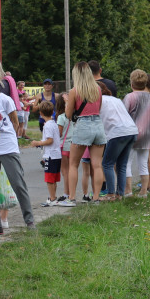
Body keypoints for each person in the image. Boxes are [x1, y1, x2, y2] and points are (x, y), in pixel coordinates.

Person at [0, 69, 35, 233]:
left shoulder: (5, 100)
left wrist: (12, 140)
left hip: (7, 146)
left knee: (18, 183)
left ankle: (30, 221)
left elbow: (15, 121)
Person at [62, 61, 106, 206]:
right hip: (98, 125)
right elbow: (98, 108)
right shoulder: (98, 89)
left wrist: (69, 102)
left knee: (74, 164)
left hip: (83, 125)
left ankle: (72, 198)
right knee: (97, 165)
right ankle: (96, 198)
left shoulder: (75, 91)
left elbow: (68, 115)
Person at [99, 82, 138, 200]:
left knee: (107, 163)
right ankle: (120, 194)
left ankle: (110, 194)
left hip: (117, 132)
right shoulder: (116, 99)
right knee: (122, 165)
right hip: (131, 130)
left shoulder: (99, 101)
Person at [123, 69, 150, 198]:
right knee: (143, 163)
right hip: (147, 132)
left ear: (132, 83)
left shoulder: (129, 97)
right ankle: (144, 191)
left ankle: (128, 190)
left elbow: (124, 114)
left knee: (127, 162)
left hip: (132, 132)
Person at [29, 101, 62, 204]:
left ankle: (52, 199)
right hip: (57, 155)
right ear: (52, 112)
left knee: (49, 179)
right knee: (54, 178)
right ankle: (53, 197)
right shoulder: (54, 123)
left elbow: (49, 140)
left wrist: (38, 143)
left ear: (41, 113)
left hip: (50, 155)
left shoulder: (47, 126)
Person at [55, 95, 71, 203]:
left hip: (64, 146)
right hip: (74, 145)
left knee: (65, 172)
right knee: (72, 170)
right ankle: (71, 193)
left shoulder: (61, 117)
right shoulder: (73, 116)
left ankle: (66, 194)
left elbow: (59, 134)